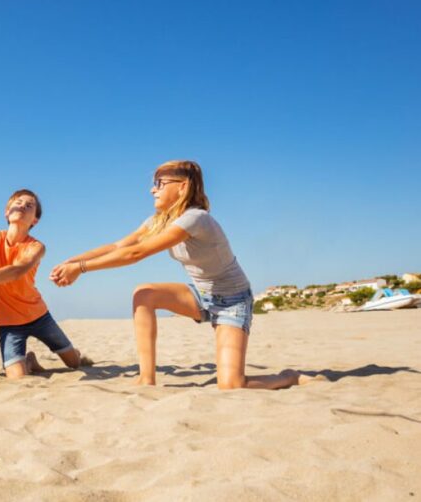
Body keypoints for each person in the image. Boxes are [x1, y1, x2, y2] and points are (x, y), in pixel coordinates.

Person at [49, 160, 307, 390]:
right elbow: (119, 246)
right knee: (144, 294)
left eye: (159, 183)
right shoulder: (158, 220)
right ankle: (146, 379)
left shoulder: (196, 219)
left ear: (182, 187)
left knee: (231, 385)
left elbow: (136, 254)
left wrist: (81, 270)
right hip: (200, 294)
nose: (153, 190)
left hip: (233, 301)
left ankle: (288, 377)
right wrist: (72, 261)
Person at [0, 189, 85, 379]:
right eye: (17, 202)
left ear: (35, 220)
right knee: (17, 377)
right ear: (6, 212)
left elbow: (17, 271)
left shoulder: (37, 247)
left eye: (29, 205)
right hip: (9, 324)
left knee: (74, 363)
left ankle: (71, 353)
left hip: (39, 316)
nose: (22, 205)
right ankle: (29, 361)